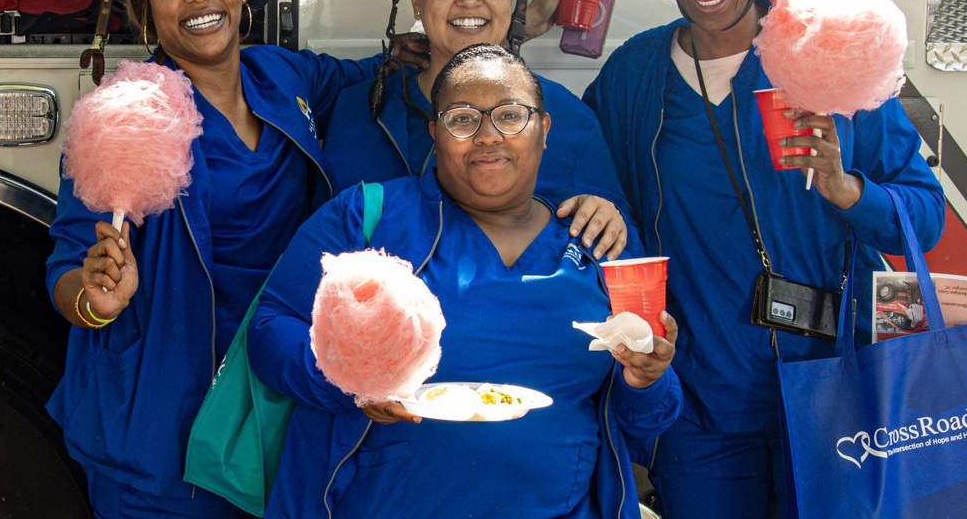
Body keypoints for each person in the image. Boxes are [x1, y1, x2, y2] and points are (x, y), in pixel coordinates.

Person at [585, 0, 947, 518]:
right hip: (704, 415)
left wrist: (851, 191)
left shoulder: (826, 56)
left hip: (836, 396)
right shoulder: (632, 79)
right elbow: (581, 192)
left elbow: (927, 216)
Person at [44, 0, 401, 519]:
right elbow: (66, 262)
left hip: (268, 410)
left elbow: (379, 82)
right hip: (161, 441)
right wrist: (95, 299)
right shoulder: (128, 113)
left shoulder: (287, 77)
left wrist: (487, 34)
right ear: (144, 6)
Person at [251, 44, 681, 519]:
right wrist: (350, 384)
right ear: (436, 134)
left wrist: (647, 379)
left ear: (544, 130)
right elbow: (270, 330)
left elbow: (649, 421)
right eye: (462, 119)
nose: (488, 136)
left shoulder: (600, 242)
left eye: (511, 116)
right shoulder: (367, 218)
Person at [319, 0, 630, 256]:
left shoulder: (570, 119)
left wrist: (610, 216)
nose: (470, 1)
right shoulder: (358, 111)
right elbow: (322, 252)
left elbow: (622, 263)